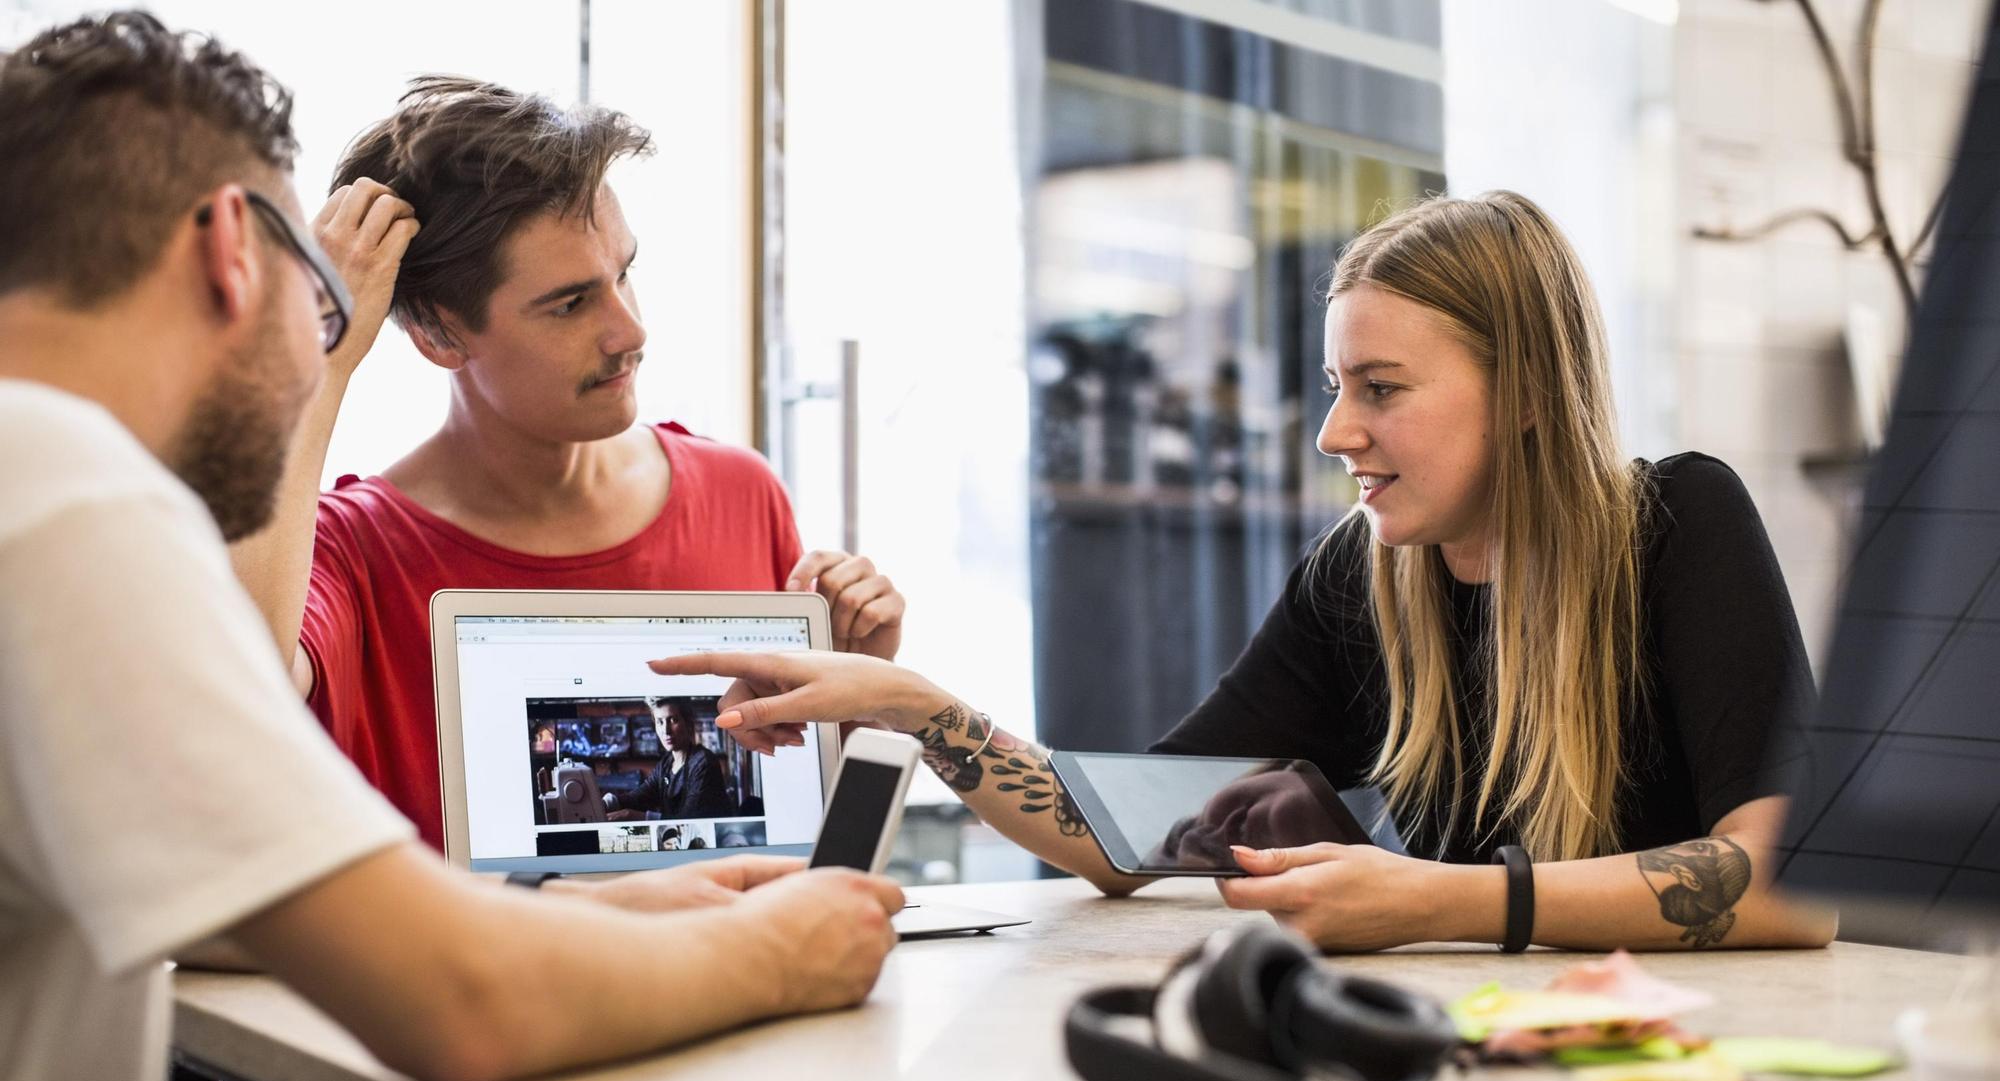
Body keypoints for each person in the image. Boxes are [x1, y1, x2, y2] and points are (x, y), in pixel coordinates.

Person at [0, 15, 900, 1081]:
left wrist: (610, 908)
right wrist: (781, 950)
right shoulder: (54, 490)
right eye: (314, 295)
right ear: (236, 248)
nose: (626, 331)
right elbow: (455, 1004)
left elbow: (204, 899)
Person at [652, 191, 1840, 955]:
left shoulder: (1676, 522)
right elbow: (1121, 840)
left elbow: (1793, 880)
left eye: (1379, 389)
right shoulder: (1358, 582)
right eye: (1334, 387)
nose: (1334, 434)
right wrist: (915, 711)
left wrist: (1441, 898)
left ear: (1525, 394)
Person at [227, 74, 908, 854]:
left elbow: (809, 846)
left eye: (624, 274)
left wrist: (864, 690)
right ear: (441, 336)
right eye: (571, 303)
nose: (630, 331)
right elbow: (238, 692)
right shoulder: (347, 553)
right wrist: (315, 355)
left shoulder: (739, 491)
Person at [608, 698, 731, 820]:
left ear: (688, 722)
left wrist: (637, 816)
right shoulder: (666, 764)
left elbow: (689, 821)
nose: (666, 731)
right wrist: (608, 802)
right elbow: (639, 796)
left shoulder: (703, 763)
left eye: (673, 720)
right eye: (659, 722)